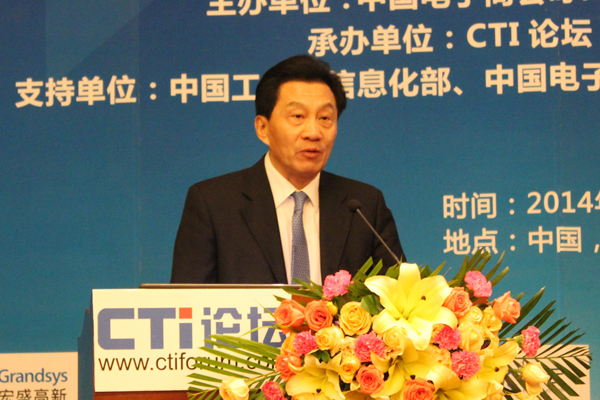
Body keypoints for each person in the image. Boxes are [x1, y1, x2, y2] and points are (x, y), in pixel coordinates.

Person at [171, 55, 405, 284]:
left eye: (325, 118)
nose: (313, 132)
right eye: (298, 116)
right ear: (263, 128)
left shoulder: (364, 206)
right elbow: (186, 302)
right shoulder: (213, 204)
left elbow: (401, 298)